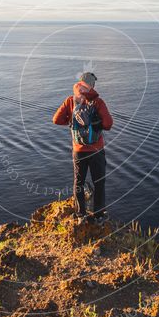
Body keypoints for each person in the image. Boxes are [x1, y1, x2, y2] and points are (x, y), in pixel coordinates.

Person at [52, 71, 113, 223]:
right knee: (99, 182)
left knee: (78, 183)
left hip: (78, 151)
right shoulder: (98, 102)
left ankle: (80, 215)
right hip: (96, 150)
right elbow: (108, 124)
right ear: (92, 85)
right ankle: (99, 215)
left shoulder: (70, 101)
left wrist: (71, 121)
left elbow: (56, 120)